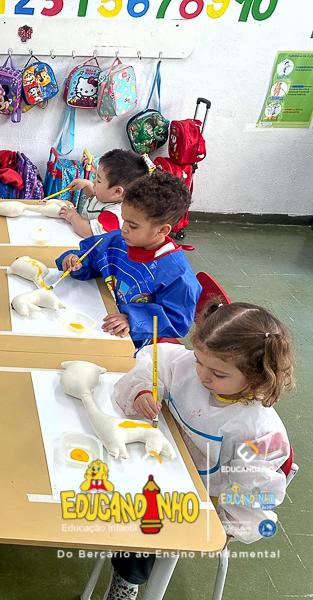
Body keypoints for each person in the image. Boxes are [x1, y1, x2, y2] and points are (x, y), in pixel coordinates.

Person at [102, 302, 293, 600]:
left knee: (146, 523)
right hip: (163, 460)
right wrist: (143, 391)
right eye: (198, 361)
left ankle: (126, 583)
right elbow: (154, 367)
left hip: (204, 495)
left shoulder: (258, 432)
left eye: (217, 374)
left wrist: (224, 527)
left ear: (257, 377)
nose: (202, 376)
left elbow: (251, 497)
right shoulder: (192, 367)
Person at [56, 171, 200, 350]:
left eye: (133, 226)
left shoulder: (177, 274)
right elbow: (91, 255)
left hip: (137, 344)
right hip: (103, 315)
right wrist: (76, 261)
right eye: (124, 220)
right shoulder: (119, 240)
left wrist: (132, 318)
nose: (123, 229)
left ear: (162, 230)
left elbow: (177, 319)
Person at [58, 150, 150, 238]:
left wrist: (72, 216)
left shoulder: (114, 215)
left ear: (117, 191)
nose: (93, 182)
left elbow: (87, 231)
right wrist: (87, 185)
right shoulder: (108, 197)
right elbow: (93, 200)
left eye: (99, 181)